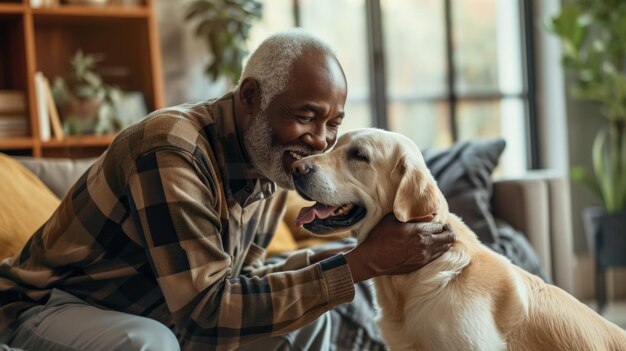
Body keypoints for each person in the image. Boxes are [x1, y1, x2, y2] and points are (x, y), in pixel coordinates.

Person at [0, 29, 455, 350]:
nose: (318, 141)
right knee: (148, 344)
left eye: (332, 124)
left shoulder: (273, 163)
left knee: (310, 314)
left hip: (165, 311)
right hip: (49, 307)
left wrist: (335, 263)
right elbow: (206, 315)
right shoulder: (171, 149)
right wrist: (360, 264)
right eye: (305, 116)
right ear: (251, 97)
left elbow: (243, 284)